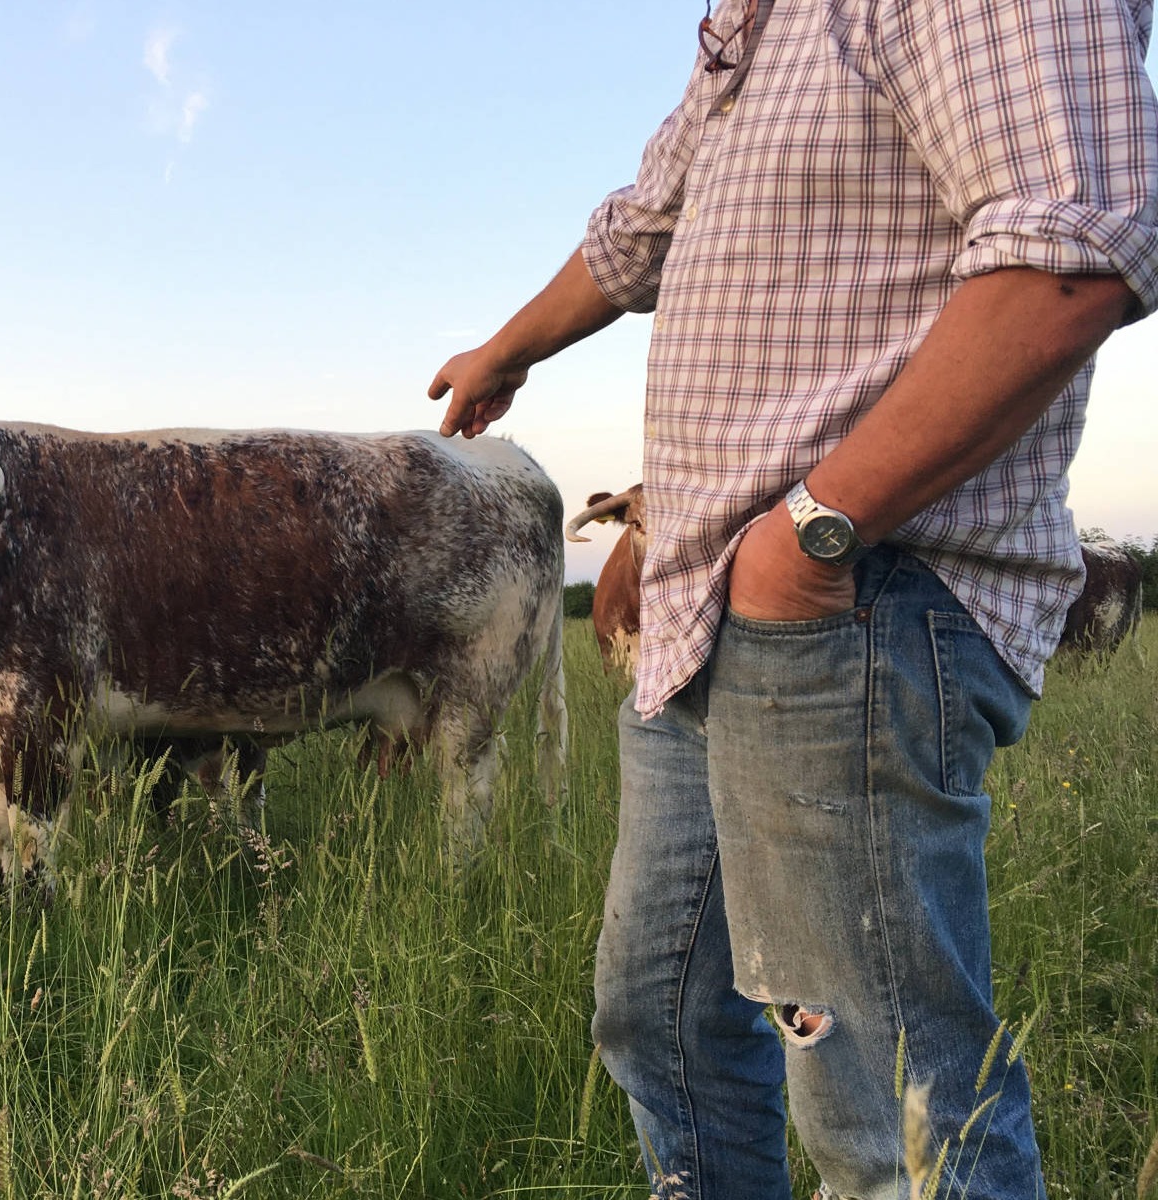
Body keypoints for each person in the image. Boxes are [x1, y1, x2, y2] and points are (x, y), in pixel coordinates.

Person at [428, 1, 1157, 1196]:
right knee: (656, 1019)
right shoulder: (757, 28)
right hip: (703, 620)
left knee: (882, 1111)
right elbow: (640, 229)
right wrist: (505, 351)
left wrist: (812, 535)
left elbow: (1068, 249)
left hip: (845, 605)